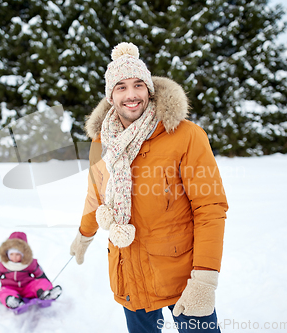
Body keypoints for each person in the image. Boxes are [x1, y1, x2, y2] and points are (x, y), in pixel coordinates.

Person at [70, 42, 228, 332]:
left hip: (182, 276)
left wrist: (205, 278)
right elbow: (95, 197)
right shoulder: (100, 143)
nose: (131, 95)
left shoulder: (186, 136)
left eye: (138, 85)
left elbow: (210, 208)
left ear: (149, 89)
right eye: (121, 87)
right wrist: (84, 235)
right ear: (110, 95)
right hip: (128, 271)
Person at [0, 231, 61, 309]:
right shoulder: (4, 264)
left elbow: (40, 275)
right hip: (10, 287)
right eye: (11, 254)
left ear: (23, 254)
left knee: (41, 282)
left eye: (17, 254)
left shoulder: (29, 263)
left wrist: (48, 285)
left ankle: (46, 293)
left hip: (27, 287)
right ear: (7, 254)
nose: (14, 257)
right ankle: (12, 301)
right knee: (3, 291)